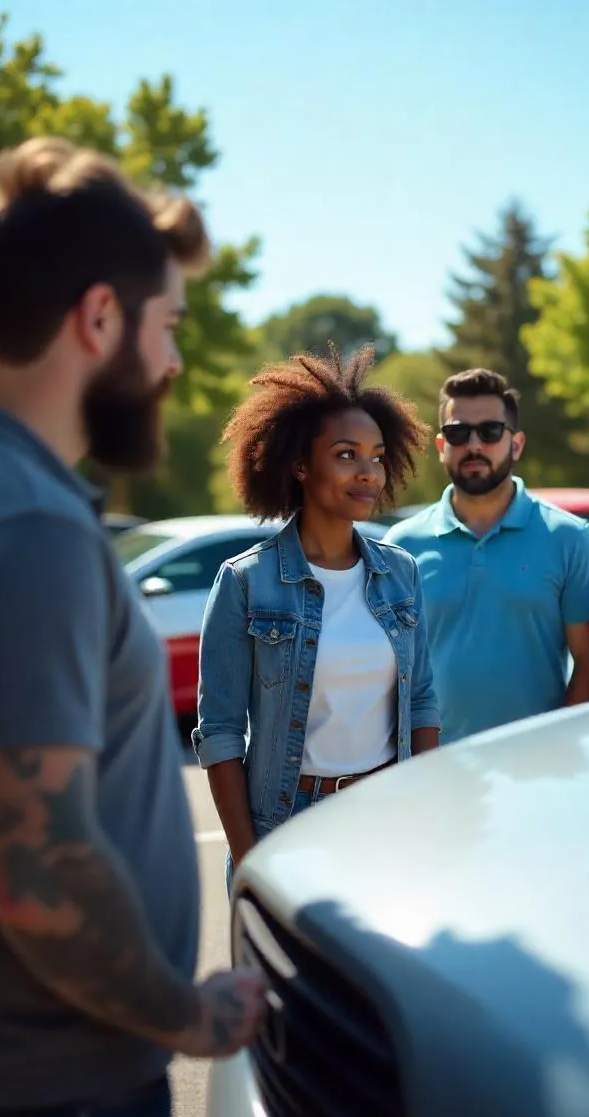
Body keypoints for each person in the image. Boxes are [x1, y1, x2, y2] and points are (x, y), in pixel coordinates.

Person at [0, 137, 267, 1117]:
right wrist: (185, 1015)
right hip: (44, 1108)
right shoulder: (25, 526)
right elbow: (39, 866)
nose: (169, 363)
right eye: (166, 326)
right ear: (100, 317)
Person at [192, 344, 440, 891]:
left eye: (376, 456)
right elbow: (221, 734)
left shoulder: (401, 574)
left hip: (384, 814)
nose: (368, 472)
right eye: (346, 454)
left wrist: (421, 812)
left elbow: (421, 700)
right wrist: (248, 857)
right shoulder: (244, 582)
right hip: (286, 821)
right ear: (301, 464)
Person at [383, 368, 589, 744]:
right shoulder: (401, 545)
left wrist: (557, 749)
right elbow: (385, 672)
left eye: (490, 432)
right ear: (442, 447)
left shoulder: (569, 538)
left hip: (535, 774)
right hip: (429, 776)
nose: (474, 445)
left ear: (516, 444)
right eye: (458, 433)